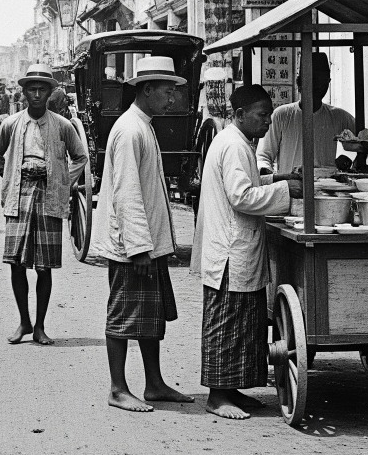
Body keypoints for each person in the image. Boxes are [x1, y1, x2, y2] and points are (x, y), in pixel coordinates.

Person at [192, 84, 302, 421]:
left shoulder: (238, 142)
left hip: (237, 248)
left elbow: (248, 185)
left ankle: (232, 387)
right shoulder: (235, 145)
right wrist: (284, 190)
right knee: (226, 322)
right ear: (239, 115)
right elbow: (242, 196)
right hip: (230, 251)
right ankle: (217, 395)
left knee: (243, 323)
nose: (268, 121)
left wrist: (277, 179)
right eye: (261, 115)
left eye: (269, 114)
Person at [93, 56, 195, 413]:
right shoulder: (130, 129)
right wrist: (138, 247)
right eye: (167, 92)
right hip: (132, 245)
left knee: (149, 316)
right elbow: (126, 192)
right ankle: (118, 388)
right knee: (124, 314)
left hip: (147, 242)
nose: (172, 99)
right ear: (147, 90)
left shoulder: (143, 124)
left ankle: (154, 383)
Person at [0, 64, 87, 345]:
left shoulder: (62, 125)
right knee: (16, 264)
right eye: (31, 89)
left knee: (44, 267)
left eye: (41, 89)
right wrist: (11, 178)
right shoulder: (11, 124)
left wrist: (62, 181)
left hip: (49, 196)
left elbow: (80, 157)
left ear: (49, 93)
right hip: (19, 197)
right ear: (23, 93)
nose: (36, 94)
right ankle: (23, 322)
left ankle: (41, 327)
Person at [256, 53, 354, 178]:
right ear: (300, 83)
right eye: (313, 81)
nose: (318, 86)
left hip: (327, 193)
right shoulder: (281, 115)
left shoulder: (339, 117)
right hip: (291, 191)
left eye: (323, 81)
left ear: (328, 82)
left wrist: (355, 161)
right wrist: (274, 177)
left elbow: (363, 140)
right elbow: (263, 156)